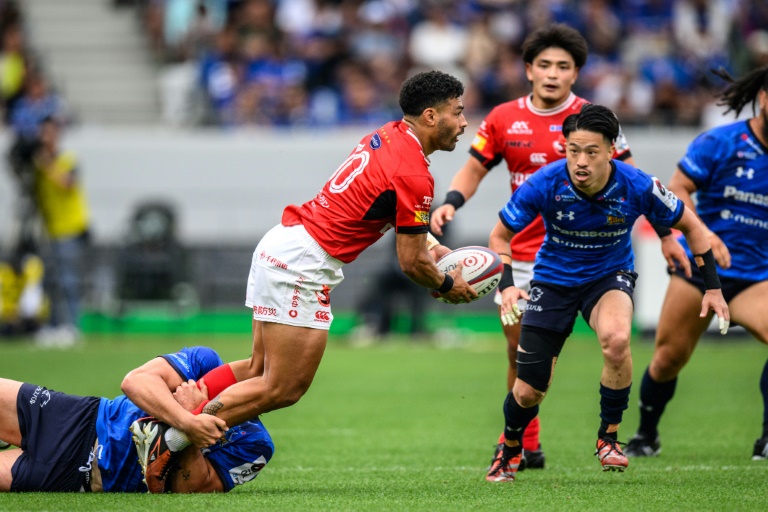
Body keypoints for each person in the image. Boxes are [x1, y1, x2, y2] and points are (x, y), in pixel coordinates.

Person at [127, 70, 477, 493]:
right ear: (429, 115)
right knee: (283, 387)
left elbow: (398, 220)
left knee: (258, 370)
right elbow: (410, 262)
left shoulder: (389, 135)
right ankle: (170, 438)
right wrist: (446, 285)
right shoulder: (416, 174)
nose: (463, 123)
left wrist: (436, 252)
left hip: (283, 244)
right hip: (302, 265)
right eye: (457, 113)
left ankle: (165, 417)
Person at [429, 23, 689, 470]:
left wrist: (667, 235)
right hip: (517, 256)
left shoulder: (594, 120)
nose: (552, 73)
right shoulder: (502, 118)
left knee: (601, 343)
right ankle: (525, 443)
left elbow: (637, 183)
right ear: (528, 69)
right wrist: (451, 201)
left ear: (576, 74)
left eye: (563, 66)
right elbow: (473, 169)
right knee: (520, 353)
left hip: (586, 254)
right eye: (544, 64)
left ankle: (537, 441)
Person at [484, 103, 729, 483]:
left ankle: (608, 438)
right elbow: (500, 235)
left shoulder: (638, 185)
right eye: (572, 150)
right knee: (530, 389)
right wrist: (509, 284)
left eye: (591, 152)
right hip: (551, 282)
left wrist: (712, 289)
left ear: (611, 150)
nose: (580, 161)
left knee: (616, 341)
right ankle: (511, 446)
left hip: (609, 276)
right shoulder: (545, 182)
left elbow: (693, 228)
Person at [624, 66, 768, 460]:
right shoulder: (721, 142)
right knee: (668, 357)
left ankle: (767, 439)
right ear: (763, 98)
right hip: (702, 272)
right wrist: (704, 233)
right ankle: (646, 434)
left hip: (758, 277)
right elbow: (679, 190)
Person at [0, 345, 273, 493]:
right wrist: (186, 420)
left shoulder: (256, 446)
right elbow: (135, 382)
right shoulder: (205, 362)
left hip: (85, 475)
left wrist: (194, 417)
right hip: (80, 417)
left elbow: (191, 487)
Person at [32, 116, 91, 345]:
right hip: (51, 230)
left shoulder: (67, 159)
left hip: (71, 228)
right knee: (51, 281)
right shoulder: (37, 164)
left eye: (49, 133)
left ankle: (72, 327)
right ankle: (54, 326)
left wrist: (46, 164)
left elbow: (67, 183)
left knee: (69, 280)